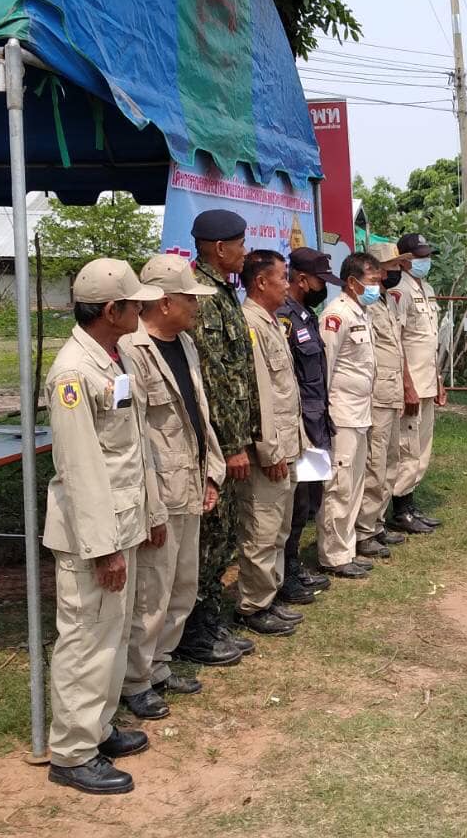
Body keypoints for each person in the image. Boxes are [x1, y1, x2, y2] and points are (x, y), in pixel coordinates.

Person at [43, 259, 167, 796]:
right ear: (112, 310)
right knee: (87, 637)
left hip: (123, 522)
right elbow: (81, 468)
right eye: (135, 304)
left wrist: (152, 513)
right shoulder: (73, 373)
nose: (142, 310)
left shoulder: (115, 357)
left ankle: (97, 726)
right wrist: (103, 549)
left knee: (111, 634)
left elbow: (132, 448)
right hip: (94, 535)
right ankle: (72, 752)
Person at [116, 254, 231, 723]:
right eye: (189, 299)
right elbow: (133, 437)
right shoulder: (130, 351)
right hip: (158, 492)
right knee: (151, 591)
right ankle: (135, 680)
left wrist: (212, 472)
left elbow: (198, 414)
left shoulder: (184, 344)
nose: (196, 307)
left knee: (182, 585)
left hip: (190, 481)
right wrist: (149, 503)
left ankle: (159, 665)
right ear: (164, 303)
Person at [177, 210, 259, 665]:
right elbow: (214, 379)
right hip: (215, 444)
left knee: (222, 536)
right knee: (208, 542)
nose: (245, 252)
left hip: (231, 437)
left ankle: (208, 619)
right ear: (220, 248)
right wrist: (230, 446)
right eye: (240, 244)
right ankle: (194, 631)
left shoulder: (224, 292)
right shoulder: (203, 297)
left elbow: (239, 372)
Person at [237, 250, 308, 636]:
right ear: (261, 282)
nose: (287, 284)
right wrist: (269, 449)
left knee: (279, 527)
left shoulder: (271, 322)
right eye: (282, 277)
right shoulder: (250, 324)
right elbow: (258, 394)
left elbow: (284, 390)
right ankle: (254, 604)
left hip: (287, 442)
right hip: (271, 449)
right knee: (262, 530)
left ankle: (271, 593)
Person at [279, 247, 340, 604]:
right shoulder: (285, 318)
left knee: (307, 500)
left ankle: (293, 566)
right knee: (295, 502)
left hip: (316, 421)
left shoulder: (307, 315)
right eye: (320, 280)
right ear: (302, 280)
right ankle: (285, 573)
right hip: (298, 425)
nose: (323, 287)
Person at [318, 252, 382, 578]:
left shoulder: (362, 313)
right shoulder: (337, 315)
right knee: (339, 487)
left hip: (360, 412)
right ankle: (334, 556)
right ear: (353, 282)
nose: (377, 287)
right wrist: (324, 414)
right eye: (372, 281)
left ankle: (347, 548)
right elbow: (325, 368)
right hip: (340, 414)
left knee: (354, 484)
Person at [357, 243, 419, 555]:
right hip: (376, 395)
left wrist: (406, 385)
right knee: (375, 464)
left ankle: (378, 523)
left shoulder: (387, 301)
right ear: (378, 269)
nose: (396, 271)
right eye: (392, 266)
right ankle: (364, 530)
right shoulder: (365, 305)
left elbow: (397, 347)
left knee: (390, 462)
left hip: (392, 392)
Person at [387, 233, 445, 533]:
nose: (426, 260)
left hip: (427, 380)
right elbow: (397, 341)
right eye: (421, 256)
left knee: (422, 447)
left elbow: (429, 341)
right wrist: (407, 385)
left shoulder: (428, 289)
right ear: (405, 260)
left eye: (428, 255)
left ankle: (410, 504)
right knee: (407, 447)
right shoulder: (399, 291)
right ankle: (400, 509)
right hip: (410, 383)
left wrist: (438, 381)